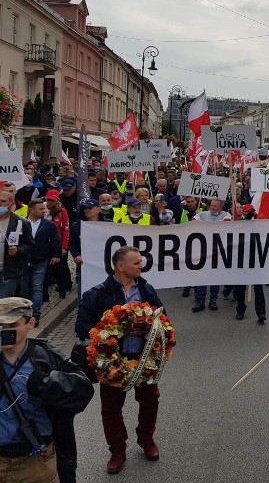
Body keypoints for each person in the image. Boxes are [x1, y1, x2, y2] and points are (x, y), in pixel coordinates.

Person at [75, 246, 164, 474]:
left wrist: (149, 326)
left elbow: (163, 318)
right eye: (136, 263)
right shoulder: (97, 294)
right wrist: (114, 330)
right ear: (120, 266)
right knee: (111, 409)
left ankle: (146, 439)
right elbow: (82, 326)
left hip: (143, 359)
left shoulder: (147, 290)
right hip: (112, 362)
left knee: (150, 401)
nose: (141, 266)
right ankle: (117, 449)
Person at [0, 297, 94, 483]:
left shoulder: (45, 356)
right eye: (0, 326)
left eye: (12, 325)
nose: (5, 331)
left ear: (31, 323)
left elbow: (82, 390)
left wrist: (46, 383)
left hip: (36, 460)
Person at [23, 199, 61, 326]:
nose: (44, 211)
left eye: (44, 209)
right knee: (25, 288)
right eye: (41, 209)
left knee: (37, 287)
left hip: (40, 260)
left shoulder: (48, 225)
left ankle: (36, 314)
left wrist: (56, 255)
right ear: (32, 210)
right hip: (23, 261)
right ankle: (25, 314)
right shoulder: (21, 222)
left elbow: (55, 240)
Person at [0, 190, 34, 299]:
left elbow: (30, 245)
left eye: (3, 201)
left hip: (9, 272)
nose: (0, 204)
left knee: (3, 305)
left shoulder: (22, 222)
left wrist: (18, 250)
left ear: (11, 204)